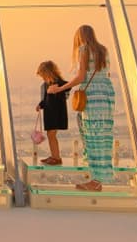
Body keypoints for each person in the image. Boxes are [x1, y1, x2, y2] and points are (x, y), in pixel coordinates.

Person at [48, 25, 114, 191]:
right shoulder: (103, 50)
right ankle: (98, 178)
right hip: (106, 95)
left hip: (91, 96)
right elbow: (105, 73)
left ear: (79, 37)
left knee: (91, 136)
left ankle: (95, 181)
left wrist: (59, 89)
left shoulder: (83, 49)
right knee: (103, 137)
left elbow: (80, 77)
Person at [35, 60, 69, 165]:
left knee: (51, 134)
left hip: (57, 113)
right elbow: (46, 99)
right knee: (50, 135)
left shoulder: (58, 82)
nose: (43, 78)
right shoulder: (46, 84)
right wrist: (40, 105)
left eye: (43, 75)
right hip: (49, 113)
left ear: (48, 72)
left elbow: (68, 85)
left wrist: (58, 88)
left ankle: (56, 158)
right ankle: (54, 156)